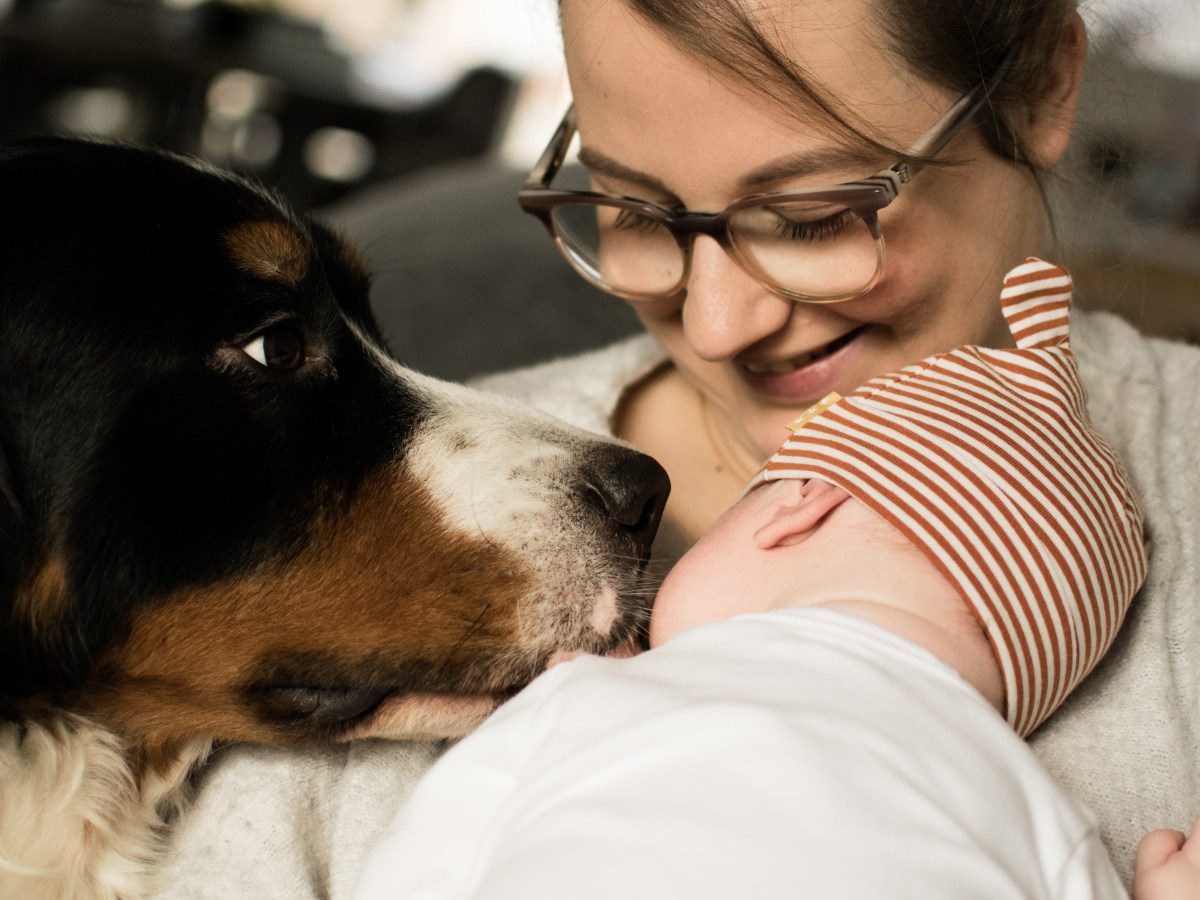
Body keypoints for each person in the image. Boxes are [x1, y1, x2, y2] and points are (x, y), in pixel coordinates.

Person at [155, 1, 1200, 895]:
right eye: (631, 211)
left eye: (812, 214)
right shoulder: (358, 533)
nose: (717, 324)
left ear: (1043, 89)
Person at [349, 263, 1172, 899]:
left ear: (798, 511)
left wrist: (555, 707)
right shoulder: (1043, 814)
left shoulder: (595, 700)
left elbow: (427, 863)